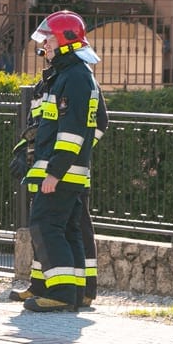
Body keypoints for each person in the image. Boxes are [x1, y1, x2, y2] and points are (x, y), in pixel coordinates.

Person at [10, 27, 108, 308]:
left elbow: (78, 131)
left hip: (61, 172)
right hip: (50, 169)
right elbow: (40, 129)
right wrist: (23, 154)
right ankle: (55, 287)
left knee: (49, 226)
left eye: (49, 39)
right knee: (61, 229)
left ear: (66, 42)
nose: (44, 45)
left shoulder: (75, 77)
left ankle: (65, 293)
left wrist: (64, 163)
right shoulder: (57, 78)